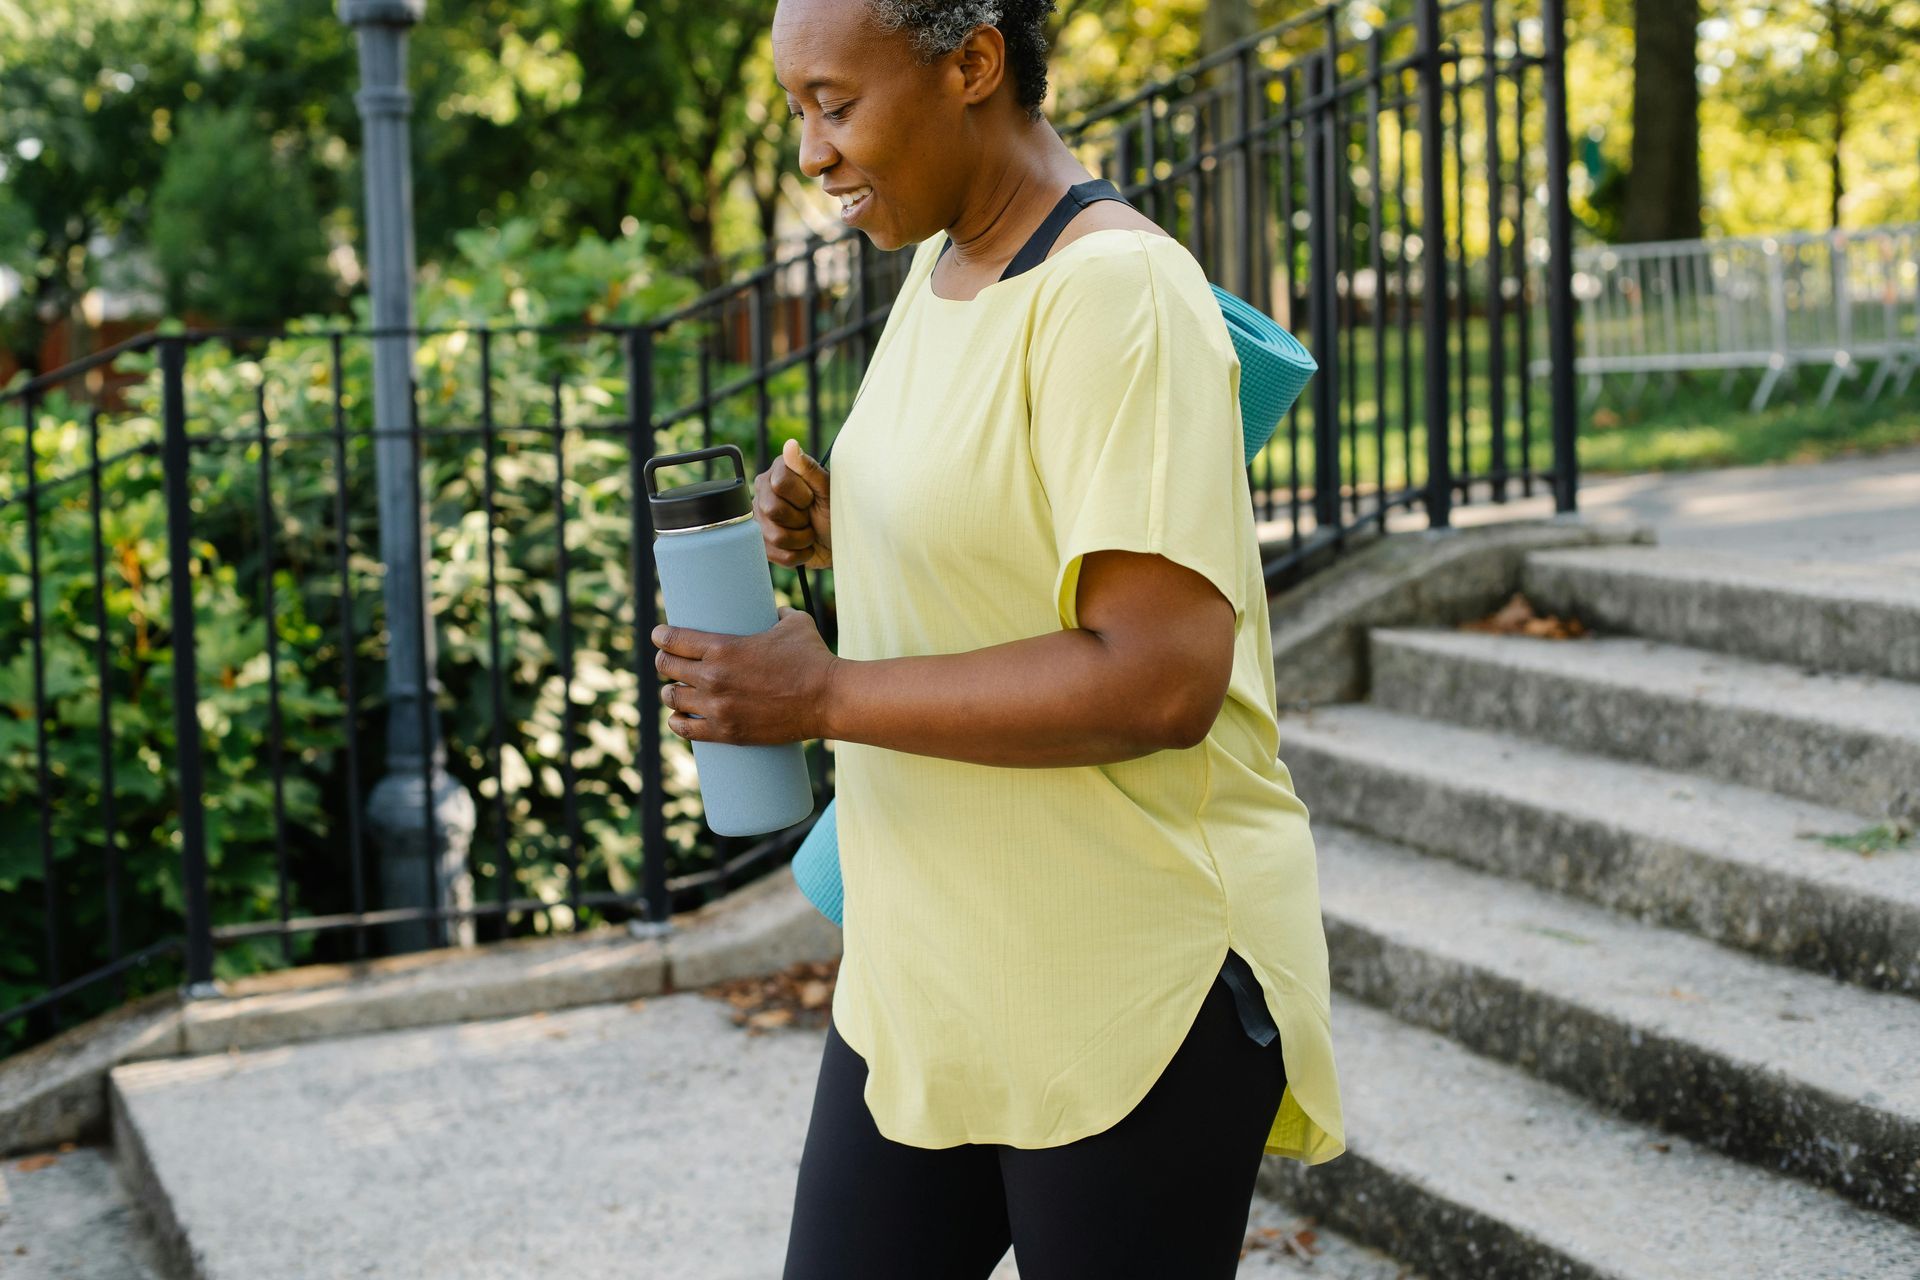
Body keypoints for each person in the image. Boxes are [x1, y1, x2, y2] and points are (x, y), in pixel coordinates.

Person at [646, 0, 1347, 1275]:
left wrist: (825, 694)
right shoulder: (939, 261)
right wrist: (839, 525)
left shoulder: (1116, 290)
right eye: (798, 109)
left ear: (972, 63)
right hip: (927, 957)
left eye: (836, 104)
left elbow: (1159, 674)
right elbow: (1009, 523)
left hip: (1127, 973)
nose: (811, 153)